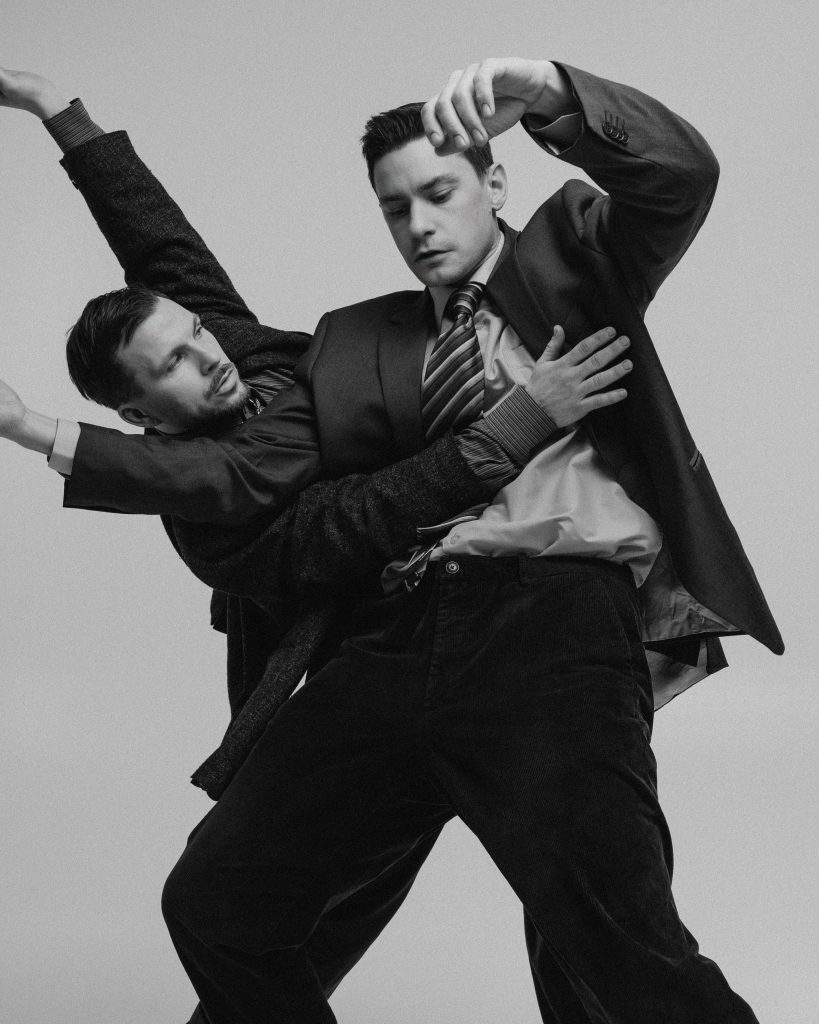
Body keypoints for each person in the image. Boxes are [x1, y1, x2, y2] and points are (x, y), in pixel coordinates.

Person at [23, 57, 782, 1021]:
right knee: (217, 906)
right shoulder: (347, 347)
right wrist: (512, 426)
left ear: (494, 182)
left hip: (553, 620)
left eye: (439, 193)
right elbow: (211, 360)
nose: (419, 226)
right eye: (395, 207)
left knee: (610, 944)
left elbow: (679, 175)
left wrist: (551, 91)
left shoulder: (577, 262)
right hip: (391, 639)